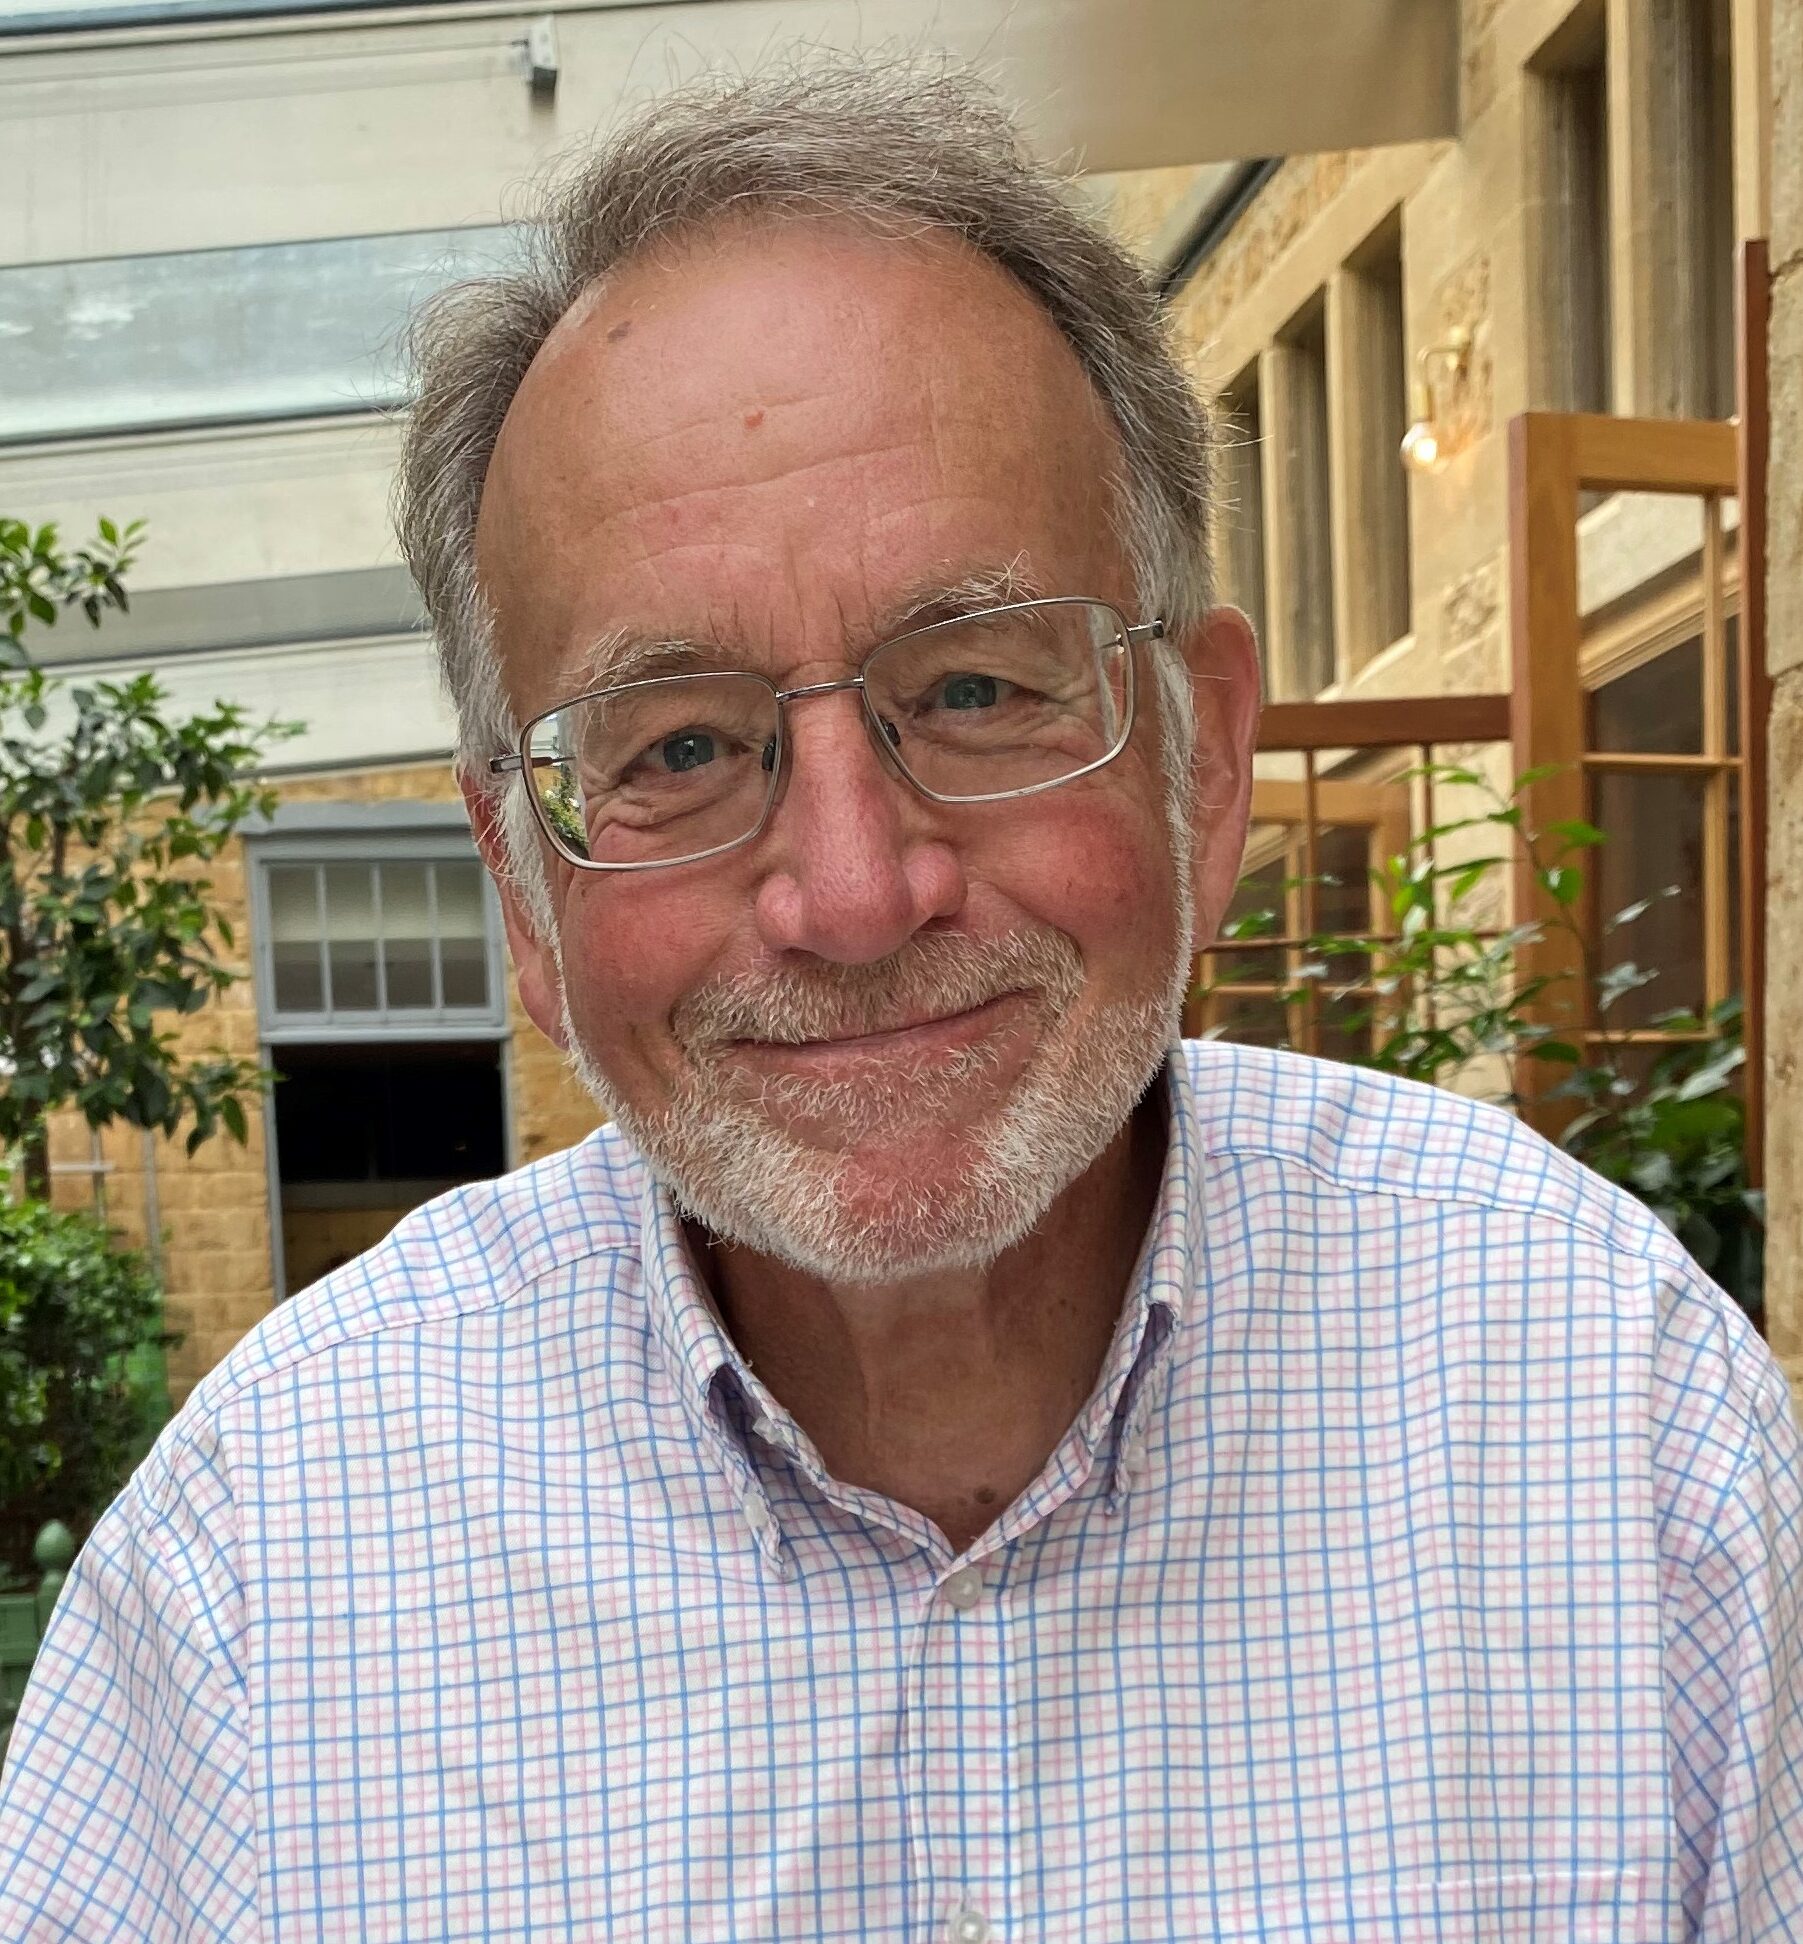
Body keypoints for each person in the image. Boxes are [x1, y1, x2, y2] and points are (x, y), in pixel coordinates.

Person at [2, 54, 1799, 1944]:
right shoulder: (257, 1579)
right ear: (524, 894)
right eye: (680, 745)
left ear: (1200, 766)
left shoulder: (1607, 1420)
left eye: (973, 690)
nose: (856, 896)